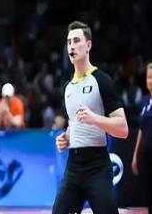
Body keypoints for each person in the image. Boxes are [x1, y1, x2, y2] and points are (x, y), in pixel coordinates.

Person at [53, 21, 128, 214]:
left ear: (88, 45)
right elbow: (74, 123)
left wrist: (95, 119)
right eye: (69, 42)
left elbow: (123, 129)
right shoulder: (67, 87)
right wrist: (66, 137)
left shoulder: (102, 80)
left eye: (77, 41)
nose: (72, 46)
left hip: (97, 167)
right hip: (73, 166)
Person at [131, 62, 152, 213]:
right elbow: (141, 129)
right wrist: (135, 155)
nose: (150, 81)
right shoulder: (144, 101)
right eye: (149, 77)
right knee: (148, 188)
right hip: (145, 151)